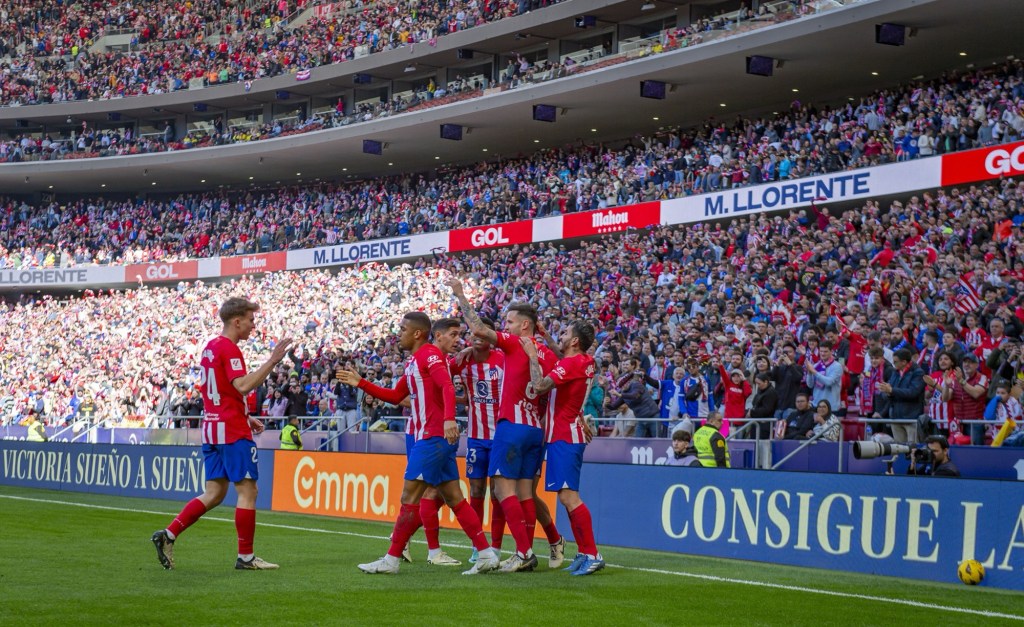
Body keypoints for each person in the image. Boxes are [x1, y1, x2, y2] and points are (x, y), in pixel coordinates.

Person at [338, 313, 500, 575]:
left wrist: (448, 420)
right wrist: (361, 383)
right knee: (455, 498)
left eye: (403, 329)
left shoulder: (429, 355)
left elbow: (447, 386)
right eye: (455, 334)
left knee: (409, 497)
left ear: (417, 333)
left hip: (432, 437)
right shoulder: (416, 361)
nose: (398, 333)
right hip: (436, 438)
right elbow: (394, 396)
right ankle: (485, 553)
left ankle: (391, 559)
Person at [152, 296, 293, 571]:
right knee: (248, 490)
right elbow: (241, 386)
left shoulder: (210, 348)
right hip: (231, 431)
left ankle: (168, 535)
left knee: (214, 493)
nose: (254, 326)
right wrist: (273, 360)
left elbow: (221, 393)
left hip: (213, 429)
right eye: (251, 320)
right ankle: (246, 558)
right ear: (236, 321)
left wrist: (246, 415)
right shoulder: (229, 349)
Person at [447, 278, 563, 573]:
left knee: (501, 490)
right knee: (525, 493)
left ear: (525, 325)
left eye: (510, 321)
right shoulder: (546, 354)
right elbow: (559, 378)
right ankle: (527, 551)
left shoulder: (515, 343)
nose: (506, 326)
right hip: (535, 431)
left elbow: (478, 329)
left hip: (511, 426)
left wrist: (460, 293)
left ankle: (523, 552)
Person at [520, 321, 605, 575]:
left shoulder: (572, 364)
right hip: (566, 434)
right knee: (565, 497)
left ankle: (592, 553)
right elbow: (561, 356)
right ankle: (583, 550)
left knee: (570, 497)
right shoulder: (582, 361)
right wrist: (544, 334)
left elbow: (539, 386)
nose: (561, 335)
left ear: (575, 341)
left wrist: (533, 357)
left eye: (565, 333)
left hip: (565, 437)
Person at [449, 317, 507, 563]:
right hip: (475, 436)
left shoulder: (503, 360)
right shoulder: (462, 362)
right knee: (476, 490)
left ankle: (495, 546)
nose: (475, 336)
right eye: (472, 332)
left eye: (481, 333)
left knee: (498, 491)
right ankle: (478, 545)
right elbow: (436, 370)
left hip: (501, 436)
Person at [879, 348, 925, 444]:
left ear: (904, 362)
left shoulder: (918, 372)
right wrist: (887, 393)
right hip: (895, 417)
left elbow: (913, 393)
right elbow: (887, 393)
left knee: (913, 449)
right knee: (898, 449)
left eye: (895, 362)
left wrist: (891, 390)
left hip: (911, 418)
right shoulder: (895, 372)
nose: (893, 363)